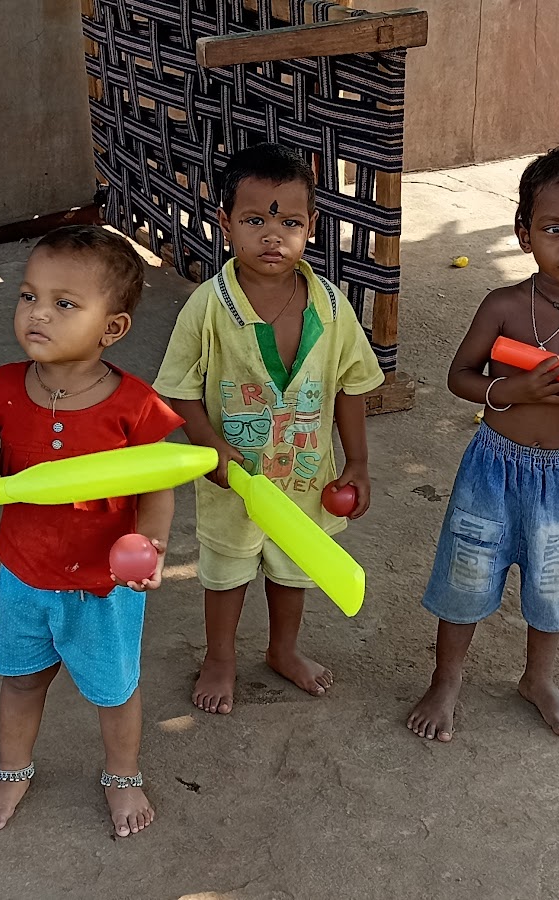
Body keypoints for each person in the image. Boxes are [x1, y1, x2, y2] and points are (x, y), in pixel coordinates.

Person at [0, 226, 182, 837]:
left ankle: (122, 775)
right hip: (24, 574)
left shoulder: (134, 404)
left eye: (64, 303)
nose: (38, 313)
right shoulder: (3, 388)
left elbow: (158, 482)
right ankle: (13, 768)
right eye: (28, 296)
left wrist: (151, 543)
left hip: (105, 583)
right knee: (21, 681)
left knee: (114, 690)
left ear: (112, 328)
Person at [405, 144, 559, 743]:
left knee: (554, 583)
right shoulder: (505, 306)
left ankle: (538, 679)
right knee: (466, 574)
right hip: (492, 467)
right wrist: (512, 390)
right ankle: (446, 680)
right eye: (554, 228)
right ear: (523, 233)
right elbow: (459, 377)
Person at [155, 143, 383, 716]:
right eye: (255, 220)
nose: (272, 236)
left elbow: (352, 384)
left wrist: (357, 462)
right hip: (233, 480)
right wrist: (212, 447)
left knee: (293, 568)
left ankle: (283, 649)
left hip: (306, 476)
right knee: (226, 573)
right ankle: (220, 658)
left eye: (290, 223)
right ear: (225, 221)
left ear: (312, 225)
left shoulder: (331, 307)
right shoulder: (209, 306)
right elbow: (179, 387)